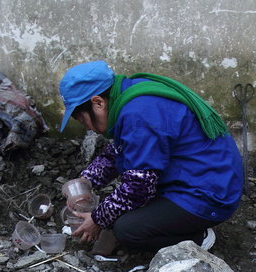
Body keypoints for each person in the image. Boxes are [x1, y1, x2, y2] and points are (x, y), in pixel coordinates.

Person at [57, 61, 243, 252]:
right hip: (203, 176)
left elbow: (139, 187)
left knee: (127, 229)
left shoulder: (138, 114)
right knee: (119, 209)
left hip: (209, 194)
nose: (88, 128)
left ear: (98, 102)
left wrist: (97, 219)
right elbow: (120, 150)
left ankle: (196, 238)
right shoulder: (129, 96)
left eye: (83, 120)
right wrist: (86, 181)